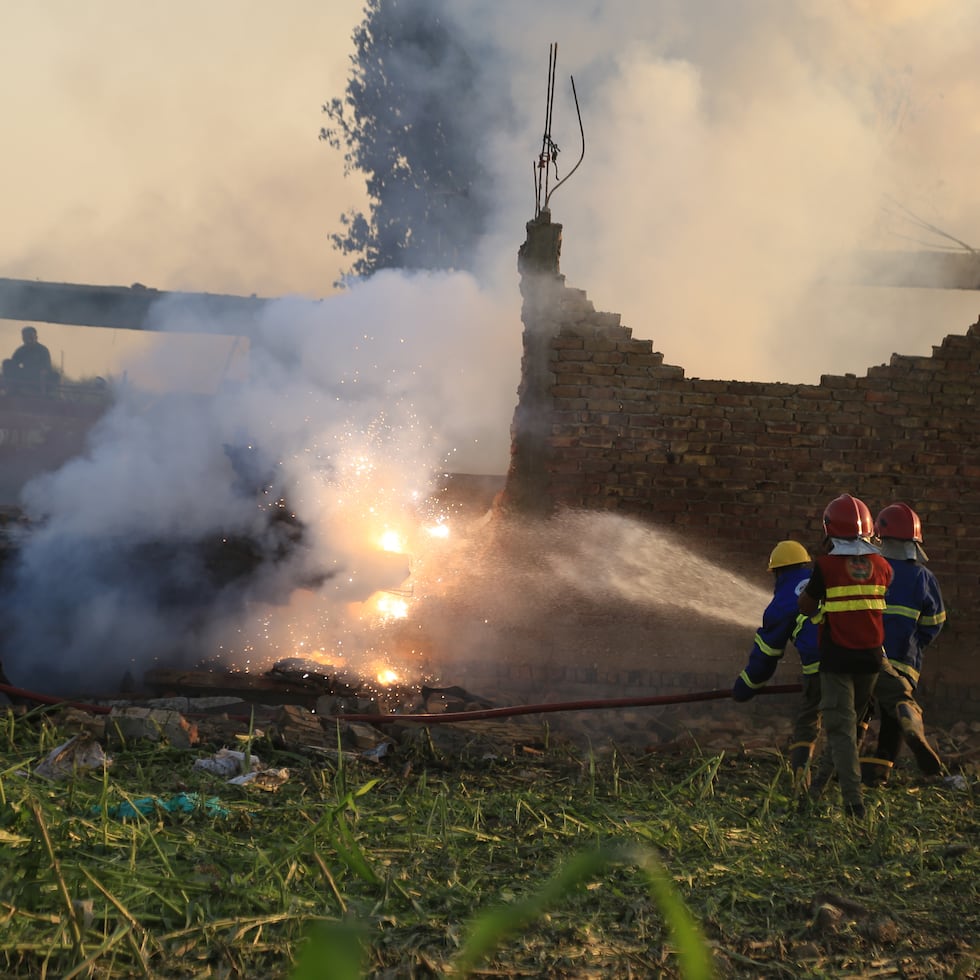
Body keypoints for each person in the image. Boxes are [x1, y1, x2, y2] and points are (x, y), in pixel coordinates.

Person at [797, 493, 900, 818]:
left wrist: (809, 598)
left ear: (830, 530)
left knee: (840, 731)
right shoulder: (883, 566)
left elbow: (807, 606)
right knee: (848, 728)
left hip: (837, 661)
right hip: (870, 660)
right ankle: (814, 794)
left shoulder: (826, 566)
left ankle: (853, 804)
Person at [860, 503, 946, 786]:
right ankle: (878, 774)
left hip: (867, 656)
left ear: (880, 538)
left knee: (859, 709)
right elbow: (935, 621)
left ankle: (844, 765)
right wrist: (916, 645)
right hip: (905, 661)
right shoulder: (923, 577)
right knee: (893, 719)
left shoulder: (870, 570)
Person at [731, 540, 823, 789]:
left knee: (808, 723)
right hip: (862, 658)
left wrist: (745, 687)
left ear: (779, 572)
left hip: (820, 668)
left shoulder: (781, 604)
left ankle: (802, 784)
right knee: (852, 720)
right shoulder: (824, 578)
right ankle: (858, 779)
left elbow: (766, 656)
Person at [2, 325, 56, 393]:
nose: (28, 340)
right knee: (6, 362)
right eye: (26, 337)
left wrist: (43, 372)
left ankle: (45, 393)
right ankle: (11, 389)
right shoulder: (21, 350)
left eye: (30, 337)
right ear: (23, 338)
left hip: (38, 376)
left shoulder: (43, 350)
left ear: (36, 337)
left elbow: (47, 366)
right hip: (25, 375)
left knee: (55, 375)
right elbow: (13, 364)